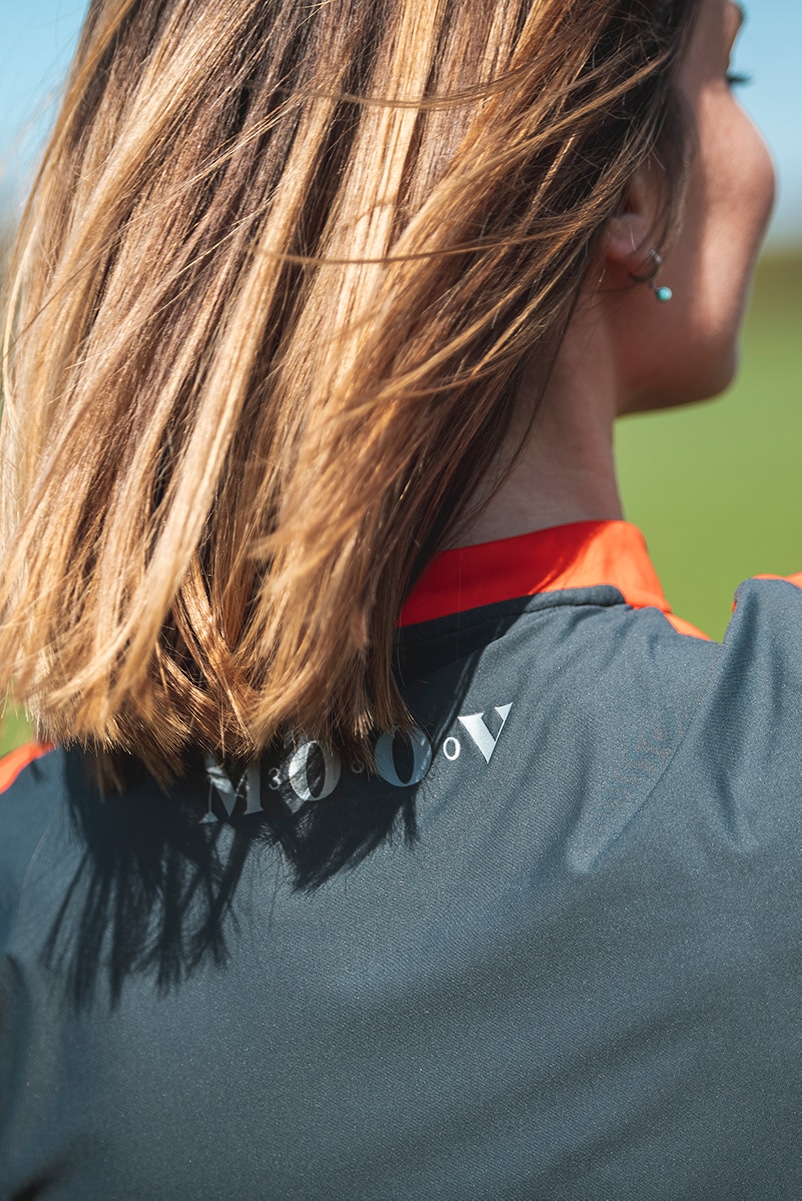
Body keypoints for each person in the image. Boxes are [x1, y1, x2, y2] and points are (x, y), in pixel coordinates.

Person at [0, 0, 794, 1196]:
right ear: (631, 192)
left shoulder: (26, 858)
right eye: (729, 73)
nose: (757, 148)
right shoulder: (774, 742)